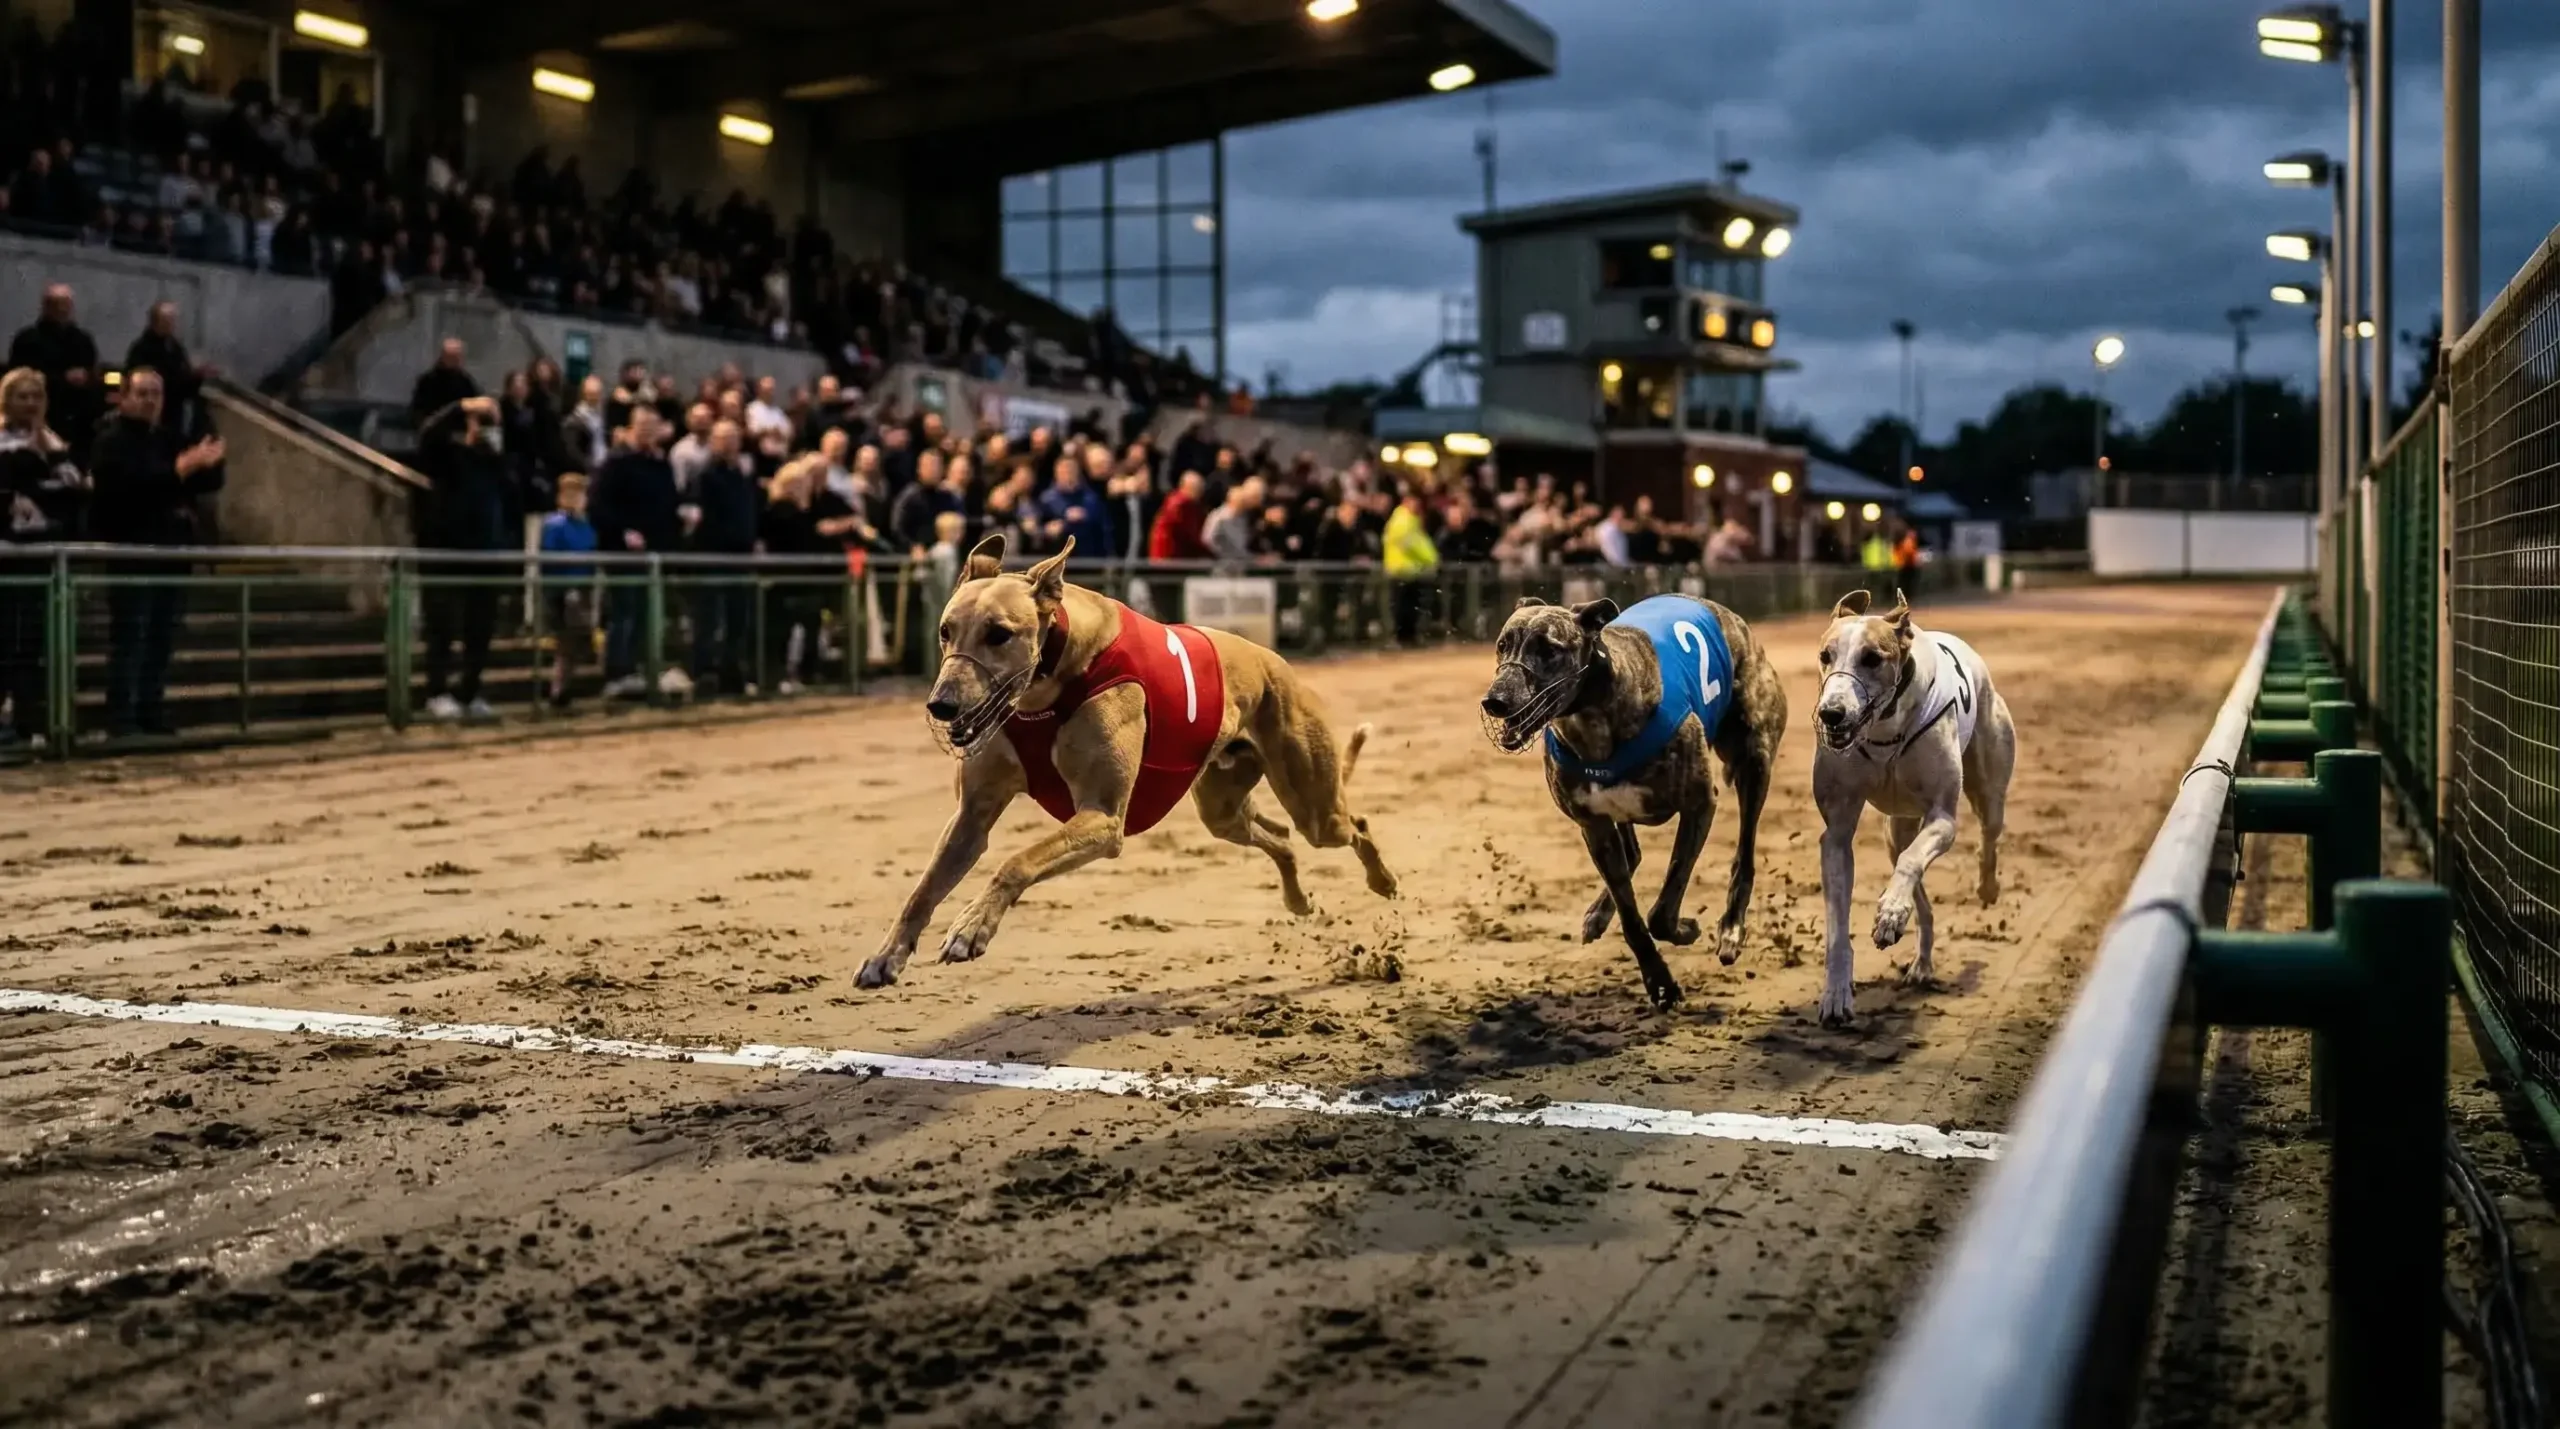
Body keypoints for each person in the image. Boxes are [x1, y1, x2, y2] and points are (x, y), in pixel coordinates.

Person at [87, 367, 225, 737]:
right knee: (131, 637)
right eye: (143, 393)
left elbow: (204, 479)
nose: (150, 401)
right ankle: (121, 717)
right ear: (125, 397)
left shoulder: (166, 439)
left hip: (171, 551)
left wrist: (207, 456)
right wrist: (181, 469)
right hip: (133, 550)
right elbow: (129, 491)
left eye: (157, 394)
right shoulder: (111, 440)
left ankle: (150, 709)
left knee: (162, 637)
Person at [414, 391, 516, 722]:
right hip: (446, 553)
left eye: (491, 424)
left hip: (487, 554)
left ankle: (470, 690)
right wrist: (462, 406)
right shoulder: (449, 454)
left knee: (480, 630)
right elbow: (428, 433)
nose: (486, 429)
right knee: (441, 627)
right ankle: (437, 691)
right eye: (482, 423)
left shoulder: (497, 465)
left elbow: (512, 498)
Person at [0, 367, 87, 748]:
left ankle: (27, 721)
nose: (30, 404)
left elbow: (73, 490)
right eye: (22, 396)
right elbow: (16, 483)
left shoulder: (54, 443)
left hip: (42, 555)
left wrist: (44, 467)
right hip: (6, 556)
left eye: (36, 396)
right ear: (7, 400)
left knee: (33, 646)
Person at [588, 410, 681, 699]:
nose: (647, 433)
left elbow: (669, 506)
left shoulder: (661, 467)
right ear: (631, 429)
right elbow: (598, 506)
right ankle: (617, 673)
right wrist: (622, 531)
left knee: (646, 614)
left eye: (653, 427)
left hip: (654, 555)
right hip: (622, 554)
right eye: (642, 427)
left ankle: (642, 669)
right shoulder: (616, 463)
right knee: (623, 613)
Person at [683, 419, 760, 696]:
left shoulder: (742, 475)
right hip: (713, 554)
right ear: (713, 442)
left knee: (738, 617)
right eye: (724, 438)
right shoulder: (704, 474)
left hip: (741, 555)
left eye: (734, 438)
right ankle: (704, 673)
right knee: (709, 618)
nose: (730, 444)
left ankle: (732, 673)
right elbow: (697, 516)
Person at [8, 285, 99, 462]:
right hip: (43, 415)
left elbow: (93, 375)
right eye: (58, 304)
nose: (64, 310)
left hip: (79, 421)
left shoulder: (82, 340)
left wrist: (87, 378)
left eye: (67, 305)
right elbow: (20, 379)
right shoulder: (28, 340)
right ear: (46, 307)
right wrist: (62, 379)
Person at [537, 471, 598, 709]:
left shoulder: (585, 524)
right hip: (562, 590)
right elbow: (550, 558)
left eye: (580, 494)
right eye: (571, 494)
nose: (576, 499)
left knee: (578, 641)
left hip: (583, 586)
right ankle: (558, 689)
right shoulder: (554, 524)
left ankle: (565, 687)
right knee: (565, 642)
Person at [123, 302, 214, 439]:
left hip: (174, 412)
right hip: (150, 414)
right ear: (156, 322)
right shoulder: (141, 349)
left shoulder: (175, 347)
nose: (172, 324)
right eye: (168, 320)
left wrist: (197, 376)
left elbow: (184, 378)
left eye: (173, 319)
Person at [1382, 483, 1440, 647]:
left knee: (1410, 608)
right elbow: (1412, 543)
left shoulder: (1409, 519)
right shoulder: (1402, 519)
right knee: (1402, 609)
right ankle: (1403, 638)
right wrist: (1431, 558)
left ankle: (1408, 638)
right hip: (1401, 570)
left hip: (1411, 571)